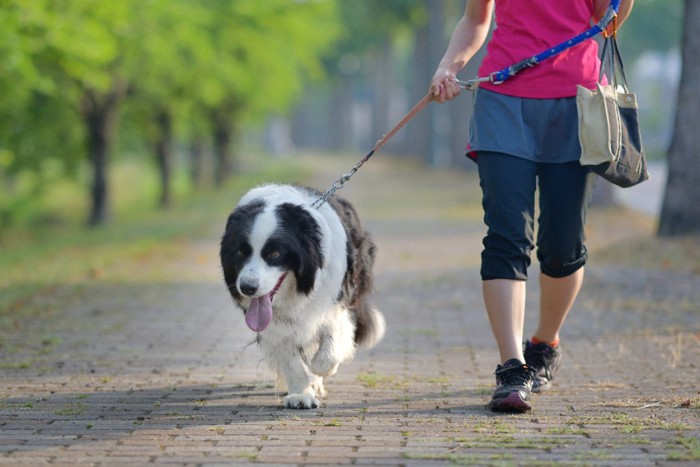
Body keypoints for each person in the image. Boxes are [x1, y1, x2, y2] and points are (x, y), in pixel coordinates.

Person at [429, 0, 635, 412]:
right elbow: (475, 19)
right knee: (507, 235)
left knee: (562, 246)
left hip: (576, 104)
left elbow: (608, 17)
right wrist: (448, 65)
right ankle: (512, 367)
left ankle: (544, 342)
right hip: (503, 101)